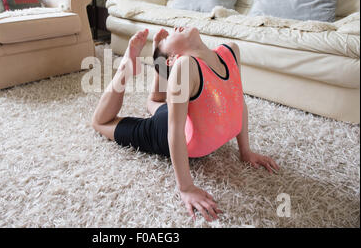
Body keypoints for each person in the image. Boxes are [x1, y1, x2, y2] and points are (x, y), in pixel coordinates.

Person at [92, 27, 280, 221]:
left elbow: (237, 100)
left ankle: (158, 61)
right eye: (170, 39)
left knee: (155, 102)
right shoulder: (185, 66)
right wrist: (186, 187)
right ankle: (125, 68)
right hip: (167, 131)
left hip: (190, 115)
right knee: (100, 122)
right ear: (173, 59)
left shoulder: (230, 51)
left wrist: (246, 151)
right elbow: (174, 131)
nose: (177, 28)